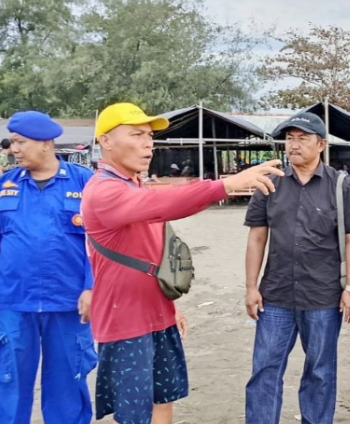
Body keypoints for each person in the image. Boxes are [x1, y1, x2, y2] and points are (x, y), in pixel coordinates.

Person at [81, 102, 283, 424]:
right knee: (134, 414)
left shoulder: (133, 184)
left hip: (156, 312)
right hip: (126, 320)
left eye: (149, 136)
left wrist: (170, 305)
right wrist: (224, 185)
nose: (148, 143)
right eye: (136, 135)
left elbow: (152, 254)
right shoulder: (104, 190)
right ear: (105, 141)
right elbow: (164, 203)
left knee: (164, 399)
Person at [244, 112, 350, 424]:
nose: (294, 145)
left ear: (322, 144)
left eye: (302, 138)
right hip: (275, 297)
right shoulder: (269, 184)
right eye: (289, 138)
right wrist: (250, 287)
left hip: (324, 296)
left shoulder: (340, 186)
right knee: (264, 369)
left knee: (320, 372)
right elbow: (257, 238)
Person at [0, 111, 96, 424]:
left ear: (45, 143)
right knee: (9, 381)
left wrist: (92, 286)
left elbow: (100, 243)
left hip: (69, 304)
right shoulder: (4, 184)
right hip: (15, 302)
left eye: (20, 141)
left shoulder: (85, 183)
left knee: (68, 385)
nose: (14, 148)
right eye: (13, 141)